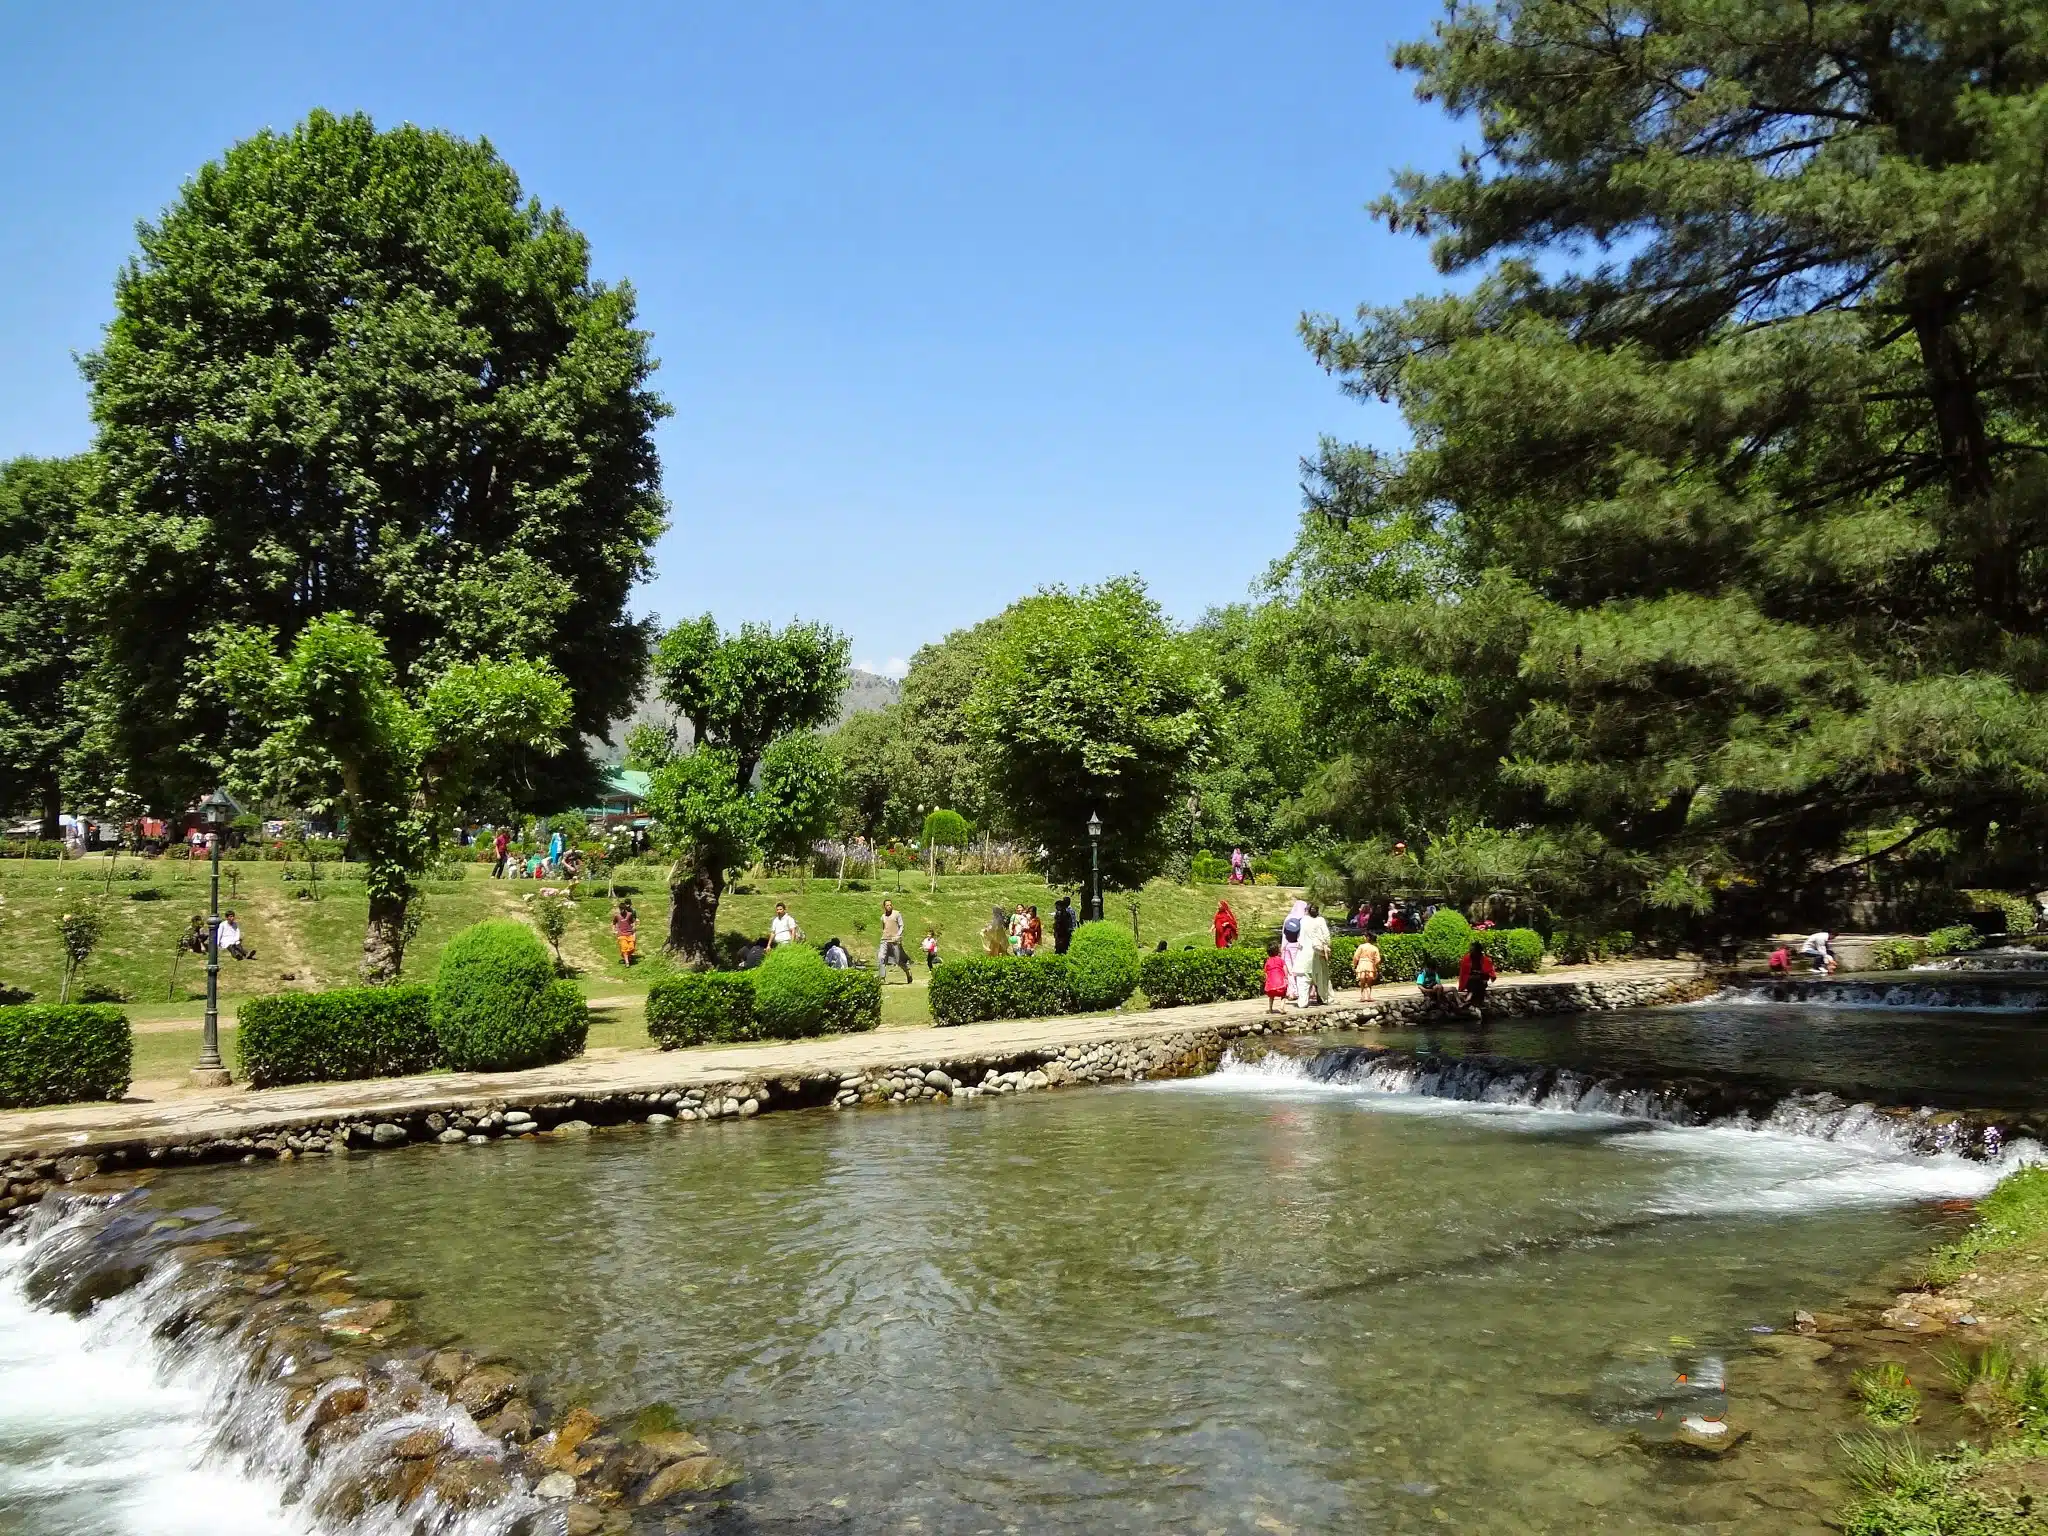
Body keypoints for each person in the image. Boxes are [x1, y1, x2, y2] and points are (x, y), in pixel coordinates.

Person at [1300, 902, 1333, 1005]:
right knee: (1321, 977)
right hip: (1317, 952)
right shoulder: (1320, 921)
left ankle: (1303, 1002)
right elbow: (1326, 936)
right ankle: (1323, 998)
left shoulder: (1303, 921)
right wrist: (1327, 946)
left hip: (1305, 952)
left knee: (1305, 979)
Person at [878, 899, 912, 983]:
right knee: (881, 957)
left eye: (890, 905)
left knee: (898, 961)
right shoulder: (883, 917)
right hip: (884, 940)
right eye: (887, 905)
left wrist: (897, 936)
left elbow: (901, 926)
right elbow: (884, 928)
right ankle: (882, 978)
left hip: (895, 941)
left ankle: (908, 971)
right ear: (884, 907)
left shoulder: (897, 914)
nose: (889, 906)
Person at [1458, 940, 1497, 1009]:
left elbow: (1489, 972)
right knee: (1474, 981)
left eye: (1472, 950)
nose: (1470, 951)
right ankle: (1472, 998)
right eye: (1470, 950)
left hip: (1481, 981)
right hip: (1469, 981)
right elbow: (1463, 974)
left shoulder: (1485, 959)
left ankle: (1470, 997)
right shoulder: (1466, 959)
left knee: (1479, 982)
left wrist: (1483, 975)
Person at [1353, 933, 1382, 1000]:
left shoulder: (1361, 947)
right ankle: (1369, 996)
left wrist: (1354, 964)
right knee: (1369, 983)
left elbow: (1356, 957)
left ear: (1367, 938)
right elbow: (1378, 959)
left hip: (1362, 965)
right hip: (1370, 965)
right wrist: (1374, 965)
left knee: (1362, 982)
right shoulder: (1374, 948)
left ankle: (1362, 996)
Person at [1263, 940, 1289, 1014]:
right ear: (1278, 951)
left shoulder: (1268, 961)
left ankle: (1270, 1009)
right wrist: (1286, 977)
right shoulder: (1281, 960)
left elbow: (1265, 972)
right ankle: (1281, 1007)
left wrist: (1266, 981)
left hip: (1271, 983)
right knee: (1284, 995)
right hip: (1280, 982)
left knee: (1271, 996)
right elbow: (1285, 969)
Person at [613, 901, 638, 967]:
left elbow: (633, 921)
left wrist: (634, 927)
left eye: (623, 909)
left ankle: (627, 956)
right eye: (621, 909)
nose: (622, 911)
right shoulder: (617, 916)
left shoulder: (629, 914)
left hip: (629, 933)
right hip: (621, 934)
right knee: (624, 947)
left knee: (631, 948)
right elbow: (614, 923)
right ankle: (627, 962)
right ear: (619, 909)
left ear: (625, 909)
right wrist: (614, 930)